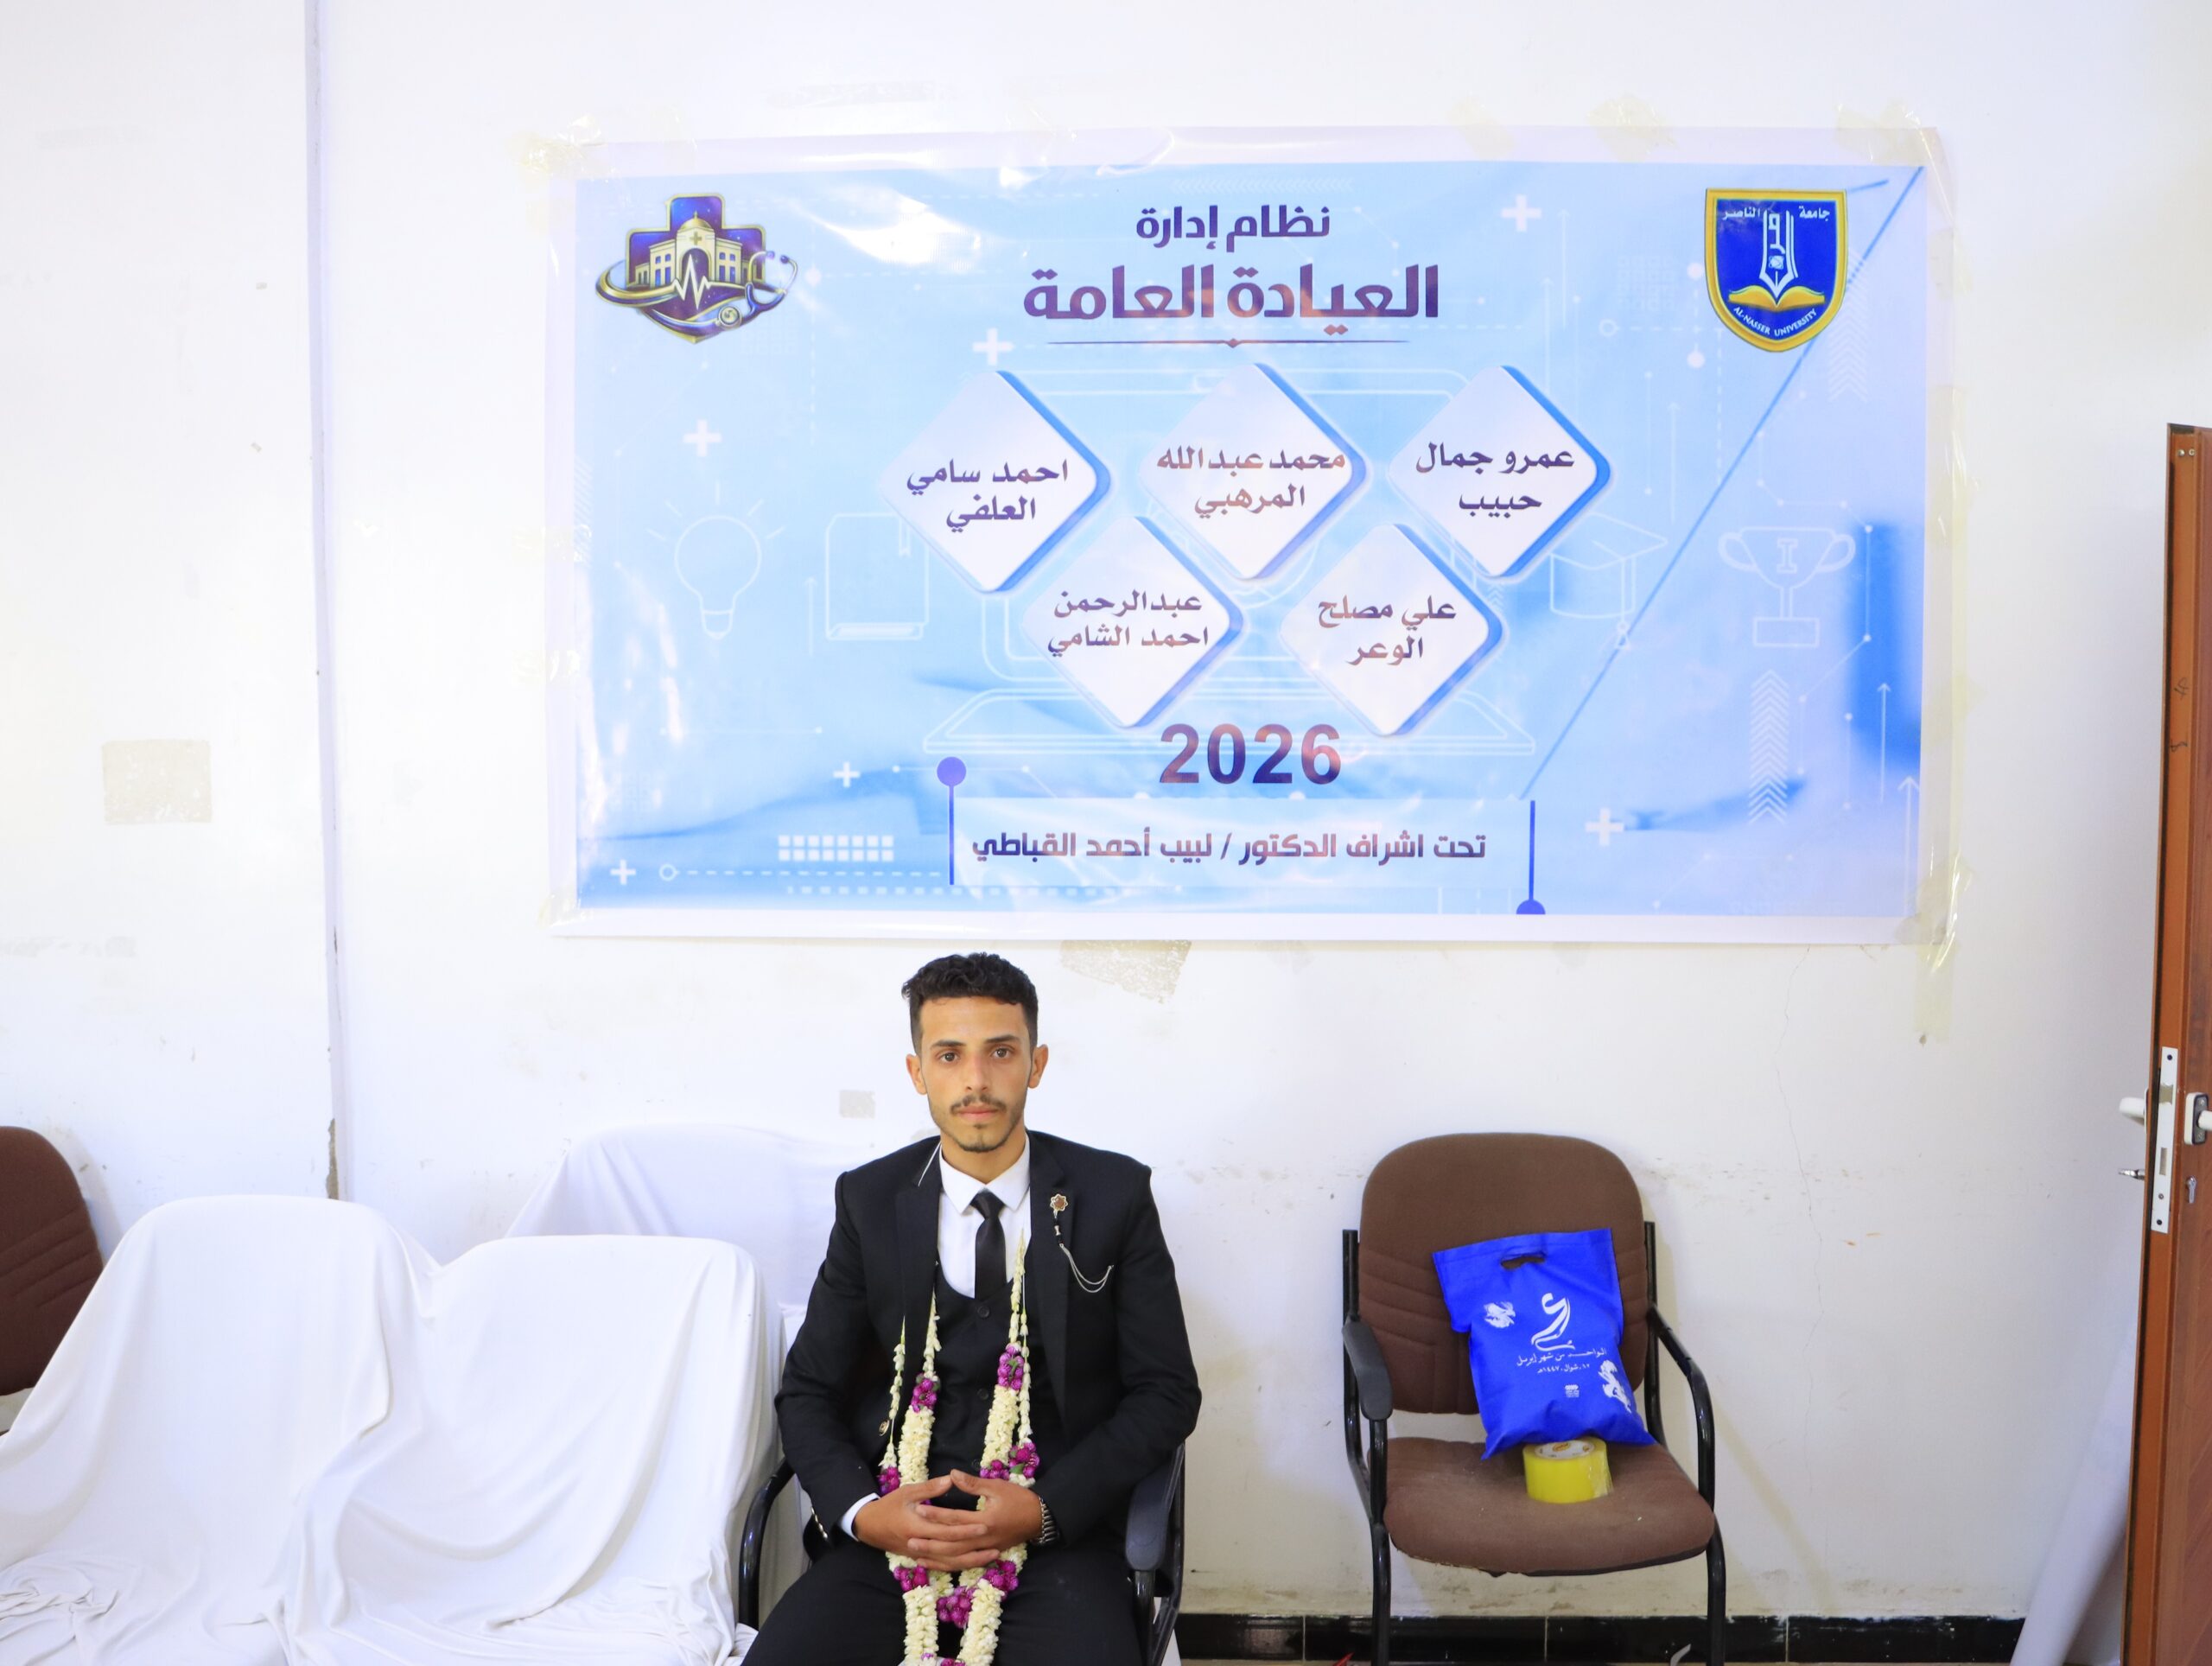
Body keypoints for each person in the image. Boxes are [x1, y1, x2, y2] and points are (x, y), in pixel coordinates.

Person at [747, 951, 1201, 1666]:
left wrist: (1045, 1509)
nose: (977, 1081)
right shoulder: (870, 1200)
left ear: (1036, 1064)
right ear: (917, 1072)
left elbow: (1167, 1392)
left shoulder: (1112, 1195)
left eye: (1001, 1052)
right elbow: (808, 1391)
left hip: (1060, 1542)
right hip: (894, 1535)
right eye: (950, 1055)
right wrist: (866, 1515)